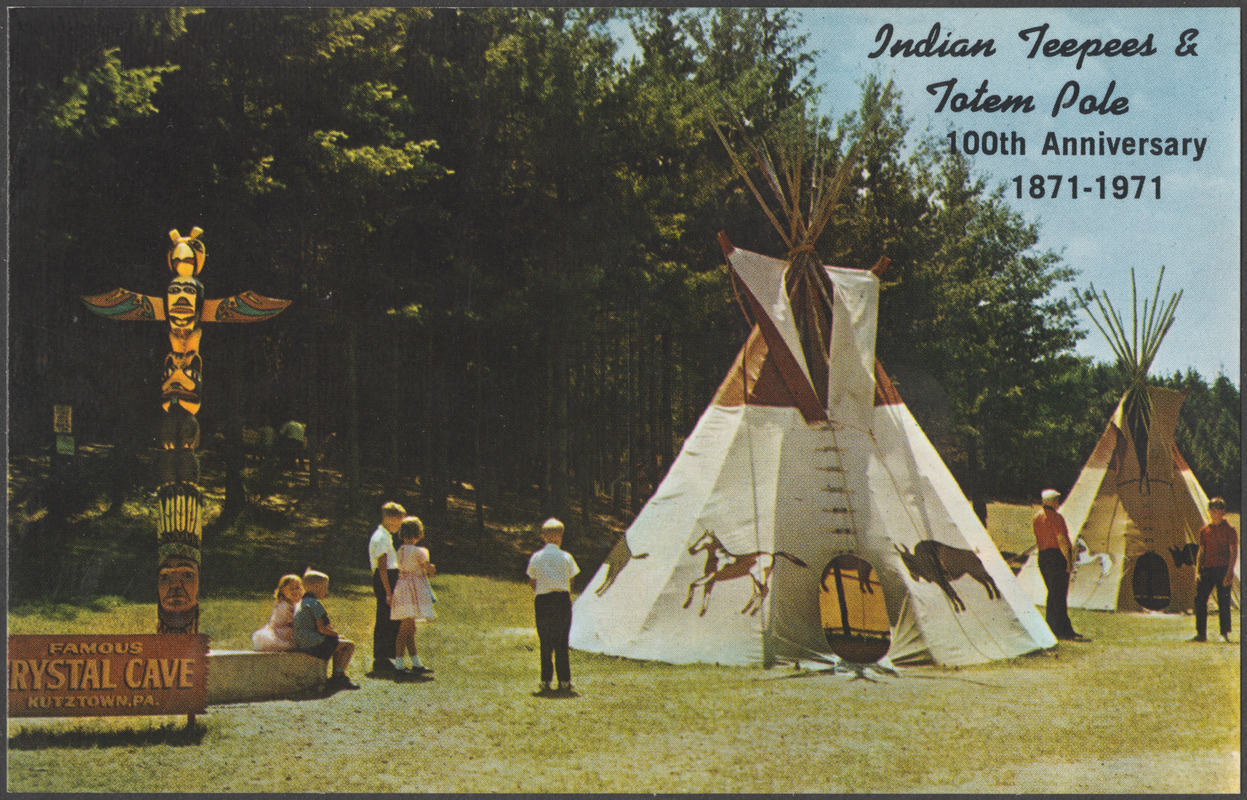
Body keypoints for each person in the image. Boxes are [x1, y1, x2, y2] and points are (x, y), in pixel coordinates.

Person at [526, 518, 580, 694]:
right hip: (562, 600)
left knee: (545, 641)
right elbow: (571, 580)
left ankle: (545, 680)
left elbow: (532, 581)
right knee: (562, 640)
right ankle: (564, 681)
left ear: (543, 536)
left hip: (543, 601)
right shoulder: (566, 557)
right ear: (560, 537)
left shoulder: (536, 557)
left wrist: (541, 592)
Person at [1032, 489, 1086, 641]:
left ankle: (1058, 627)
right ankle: (1059, 629)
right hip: (1056, 557)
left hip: (1043, 557)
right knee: (1059, 595)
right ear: (1050, 501)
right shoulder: (1056, 517)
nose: (1058, 503)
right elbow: (1061, 539)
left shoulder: (1037, 517)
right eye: (1056, 500)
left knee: (1053, 594)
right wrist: (1068, 561)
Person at [293, 569, 359, 691]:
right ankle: (338, 676)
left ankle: (337, 675)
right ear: (316, 587)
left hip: (302, 641)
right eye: (325, 588)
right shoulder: (315, 603)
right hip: (312, 643)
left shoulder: (301, 602)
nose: (326, 591)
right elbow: (322, 629)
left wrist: (336, 637)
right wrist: (336, 634)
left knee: (338, 642)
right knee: (348, 645)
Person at [391, 516, 437, 674]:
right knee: (406, 628)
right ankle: (398, 663)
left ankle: (416, 662)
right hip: (413, 589)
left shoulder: (400, 550)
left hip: (403, 588)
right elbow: (428, 570)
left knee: (410, 627)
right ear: (419, 533)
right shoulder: (420, 551)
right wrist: (431, 569)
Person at [1191, 497, 1238, 643]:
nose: (1213, 512)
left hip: (1223, 568)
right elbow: (1201, 551)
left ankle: (1223, 633)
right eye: (1211, 509)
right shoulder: (1205, 530)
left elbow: (1233, 552)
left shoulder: (1229, 530)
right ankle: (1201, 633)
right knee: (1200, 599)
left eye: (1216, 509)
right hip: (1208, 569)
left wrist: (1230, 572)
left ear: (1222, 511)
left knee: (1223, 601)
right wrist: (1198, 571)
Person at [369, 501, 406, 674]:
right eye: (399, 520)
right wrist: (389, 592)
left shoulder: (385, 536)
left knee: (391, 618)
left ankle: (387, 657)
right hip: (385, 579)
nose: (400, 525)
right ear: (389, 518)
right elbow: (382, 566)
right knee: (385, 618)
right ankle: (381, 658)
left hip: (389, 577)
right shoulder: (381, 538)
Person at [252, 574, 303, 651]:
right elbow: (279, 622)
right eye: (291, 588)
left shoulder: (297, 604)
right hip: (281, 631)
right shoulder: (284, 606)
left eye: (297, 588)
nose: (295, 591)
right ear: (283, 591)